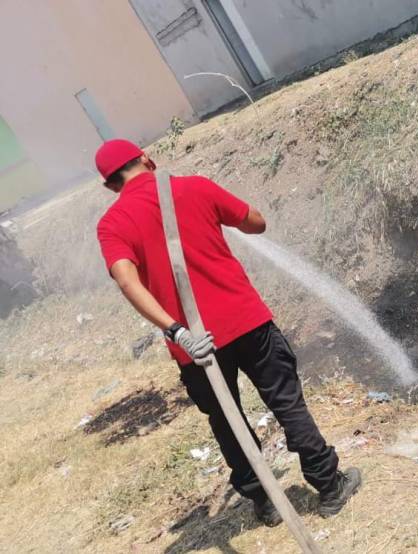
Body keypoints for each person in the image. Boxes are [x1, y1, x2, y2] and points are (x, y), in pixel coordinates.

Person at [93, 139, 360, 527]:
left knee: (225, 418)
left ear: (111, 186)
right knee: (287, 403)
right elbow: (256, 222)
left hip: (194, 346)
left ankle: (266, 503)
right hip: (247, 322)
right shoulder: (194, 187)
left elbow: (127, 281)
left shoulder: (112, 224)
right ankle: (330, 487)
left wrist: (176, 332)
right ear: (147, 159)